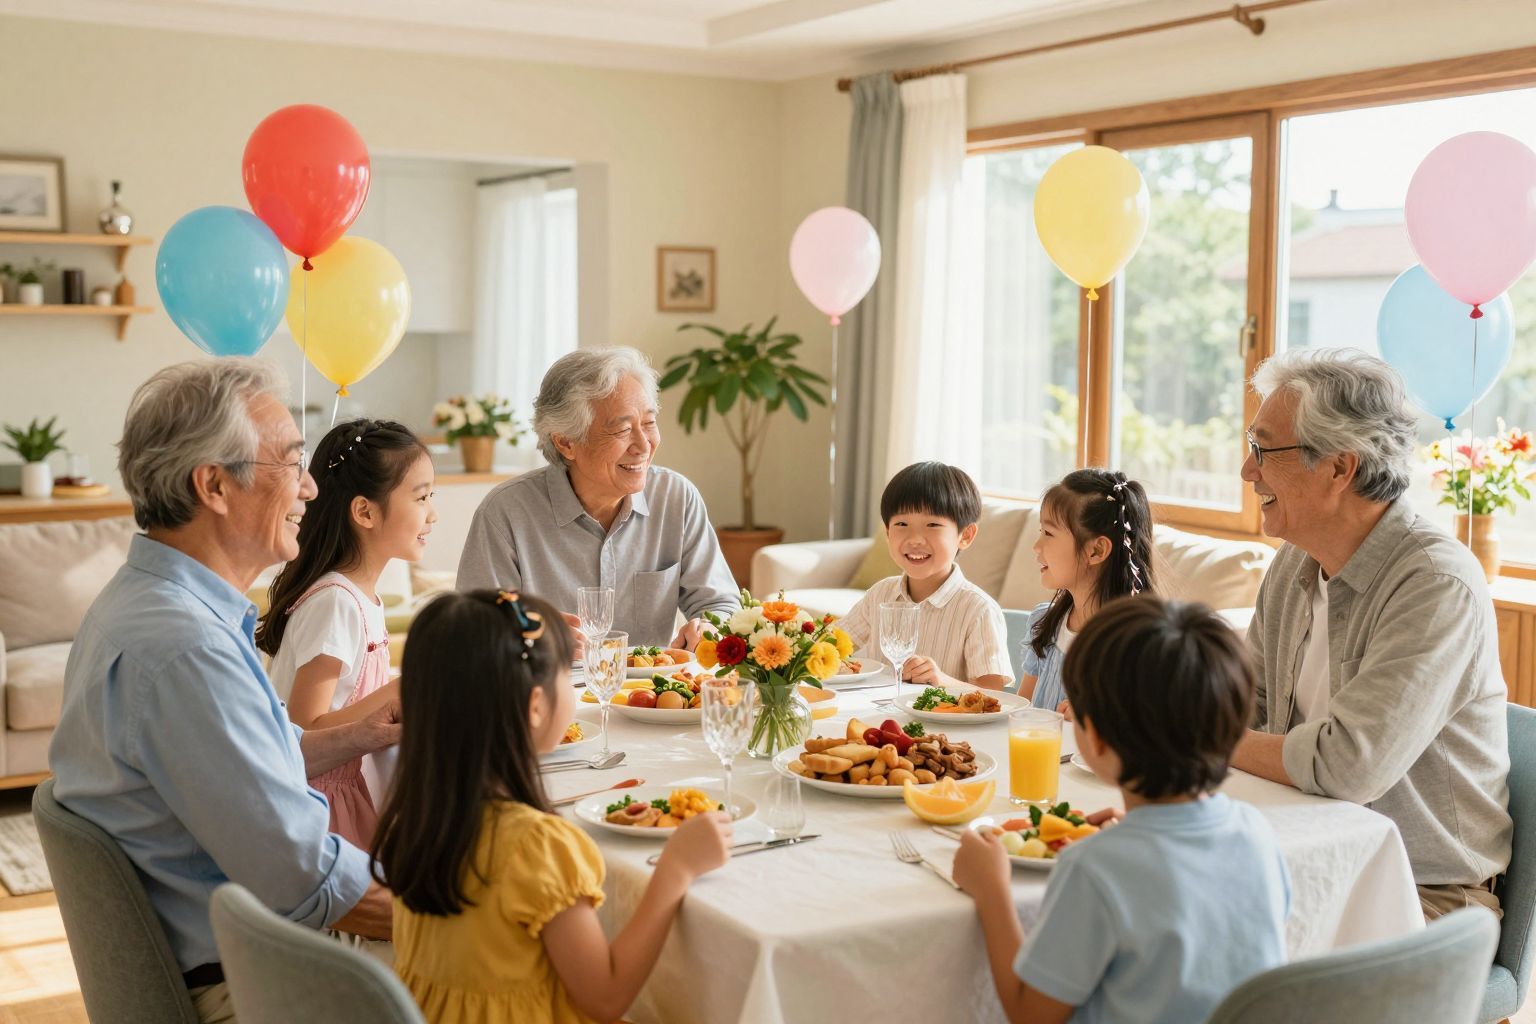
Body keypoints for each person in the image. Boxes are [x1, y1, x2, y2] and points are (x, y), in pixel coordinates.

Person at [49, 359, 394, 1022]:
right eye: (293, 463)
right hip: (254, 980)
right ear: (214, 485)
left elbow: (251, 758)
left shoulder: (151, 605)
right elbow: (308, 881)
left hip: (234, 949)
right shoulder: (186, 648)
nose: (311, 489)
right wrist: (461, 919)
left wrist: (360, 734)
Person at [1229, 347, 1511, 919]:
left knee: (1208, 968)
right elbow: (1239, 703)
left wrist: (1200, 742)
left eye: (1264, 449)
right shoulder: (1292, 565)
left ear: (1339, 467)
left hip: (1421, 891)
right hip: (1300, 852)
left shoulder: (1435, 584)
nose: (1247, 470)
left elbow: (1348, 767)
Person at [373, 589, 732, 1024]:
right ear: (536, 707)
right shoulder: (536, 846)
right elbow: (605, 997)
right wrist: (676, 869)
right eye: (568, 673)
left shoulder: (416, 815)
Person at [953, 597, 1290, 1024]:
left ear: (1094, 738)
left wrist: (992, 891)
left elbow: (1032, 1016)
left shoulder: (1094, 867)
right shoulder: (1255, 832)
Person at [456, 347, 737, 651]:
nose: (643, 445)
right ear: (565, 442)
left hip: (647, 694)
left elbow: (720, 602)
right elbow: (472, 633)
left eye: (649, 423)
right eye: (623, 429)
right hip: (549, 691)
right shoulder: (505, 514)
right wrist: (531, 637)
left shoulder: (676, 498)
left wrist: (710, 625)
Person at [259, 418, 436, 847]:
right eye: (422, 497)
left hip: (344, 791)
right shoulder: (336, 601)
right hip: (320, 807)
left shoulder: (357, 596)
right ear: (364, 512)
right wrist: (406, 688)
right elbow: (305, 729)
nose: (432, 514)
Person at [836, 462, 1013, 690]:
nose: (915, 539)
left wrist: (942, 680)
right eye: (902, 524)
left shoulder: (977, 609)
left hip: (945, 725)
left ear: (965, 535)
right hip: (879, 721)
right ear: (888, 532)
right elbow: (831, 646)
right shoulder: (880, 594)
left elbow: (993, 696)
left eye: (932, 524)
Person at [1020, 469, 1156, 714]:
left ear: (1096, 551)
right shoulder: (1046, 624)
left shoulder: (1135, 646)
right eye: (1040, 532)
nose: (1036, 545)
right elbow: (1021, 714)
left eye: (1048, 533)